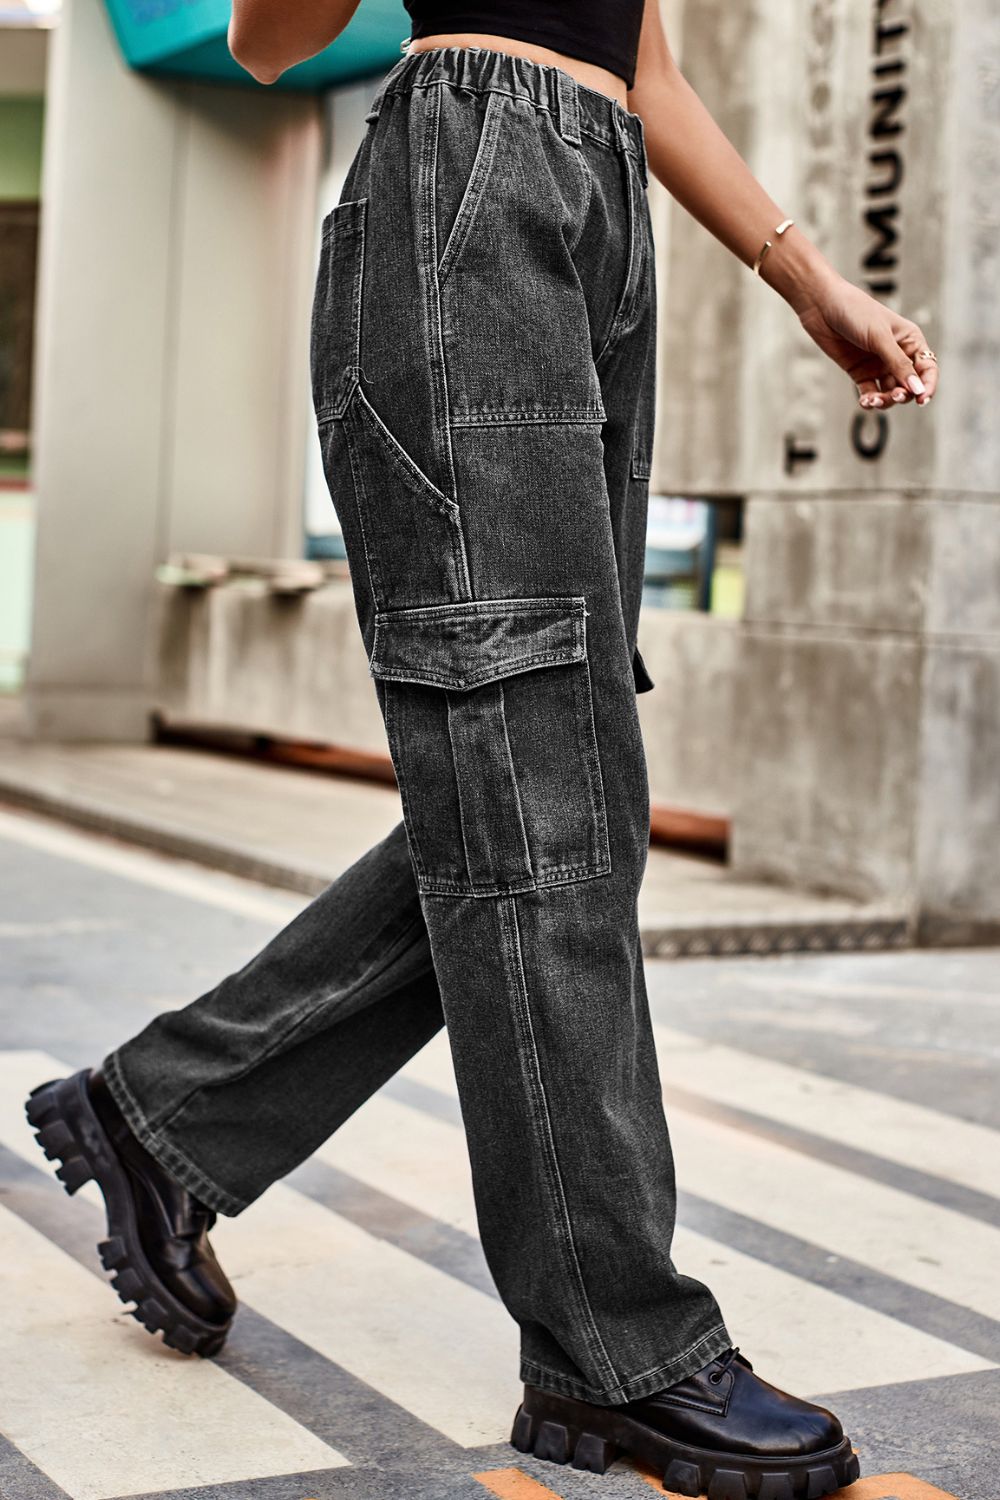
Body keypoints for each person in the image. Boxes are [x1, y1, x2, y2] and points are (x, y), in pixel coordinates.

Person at [26, 1, 938, 1495]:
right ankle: (611, 1346)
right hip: (465, 187)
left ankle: (163, 1118)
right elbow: (264, 42)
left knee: (555, 786)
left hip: (600, 198)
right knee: (537, 783)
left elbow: (644, 63)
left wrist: (806, 278)